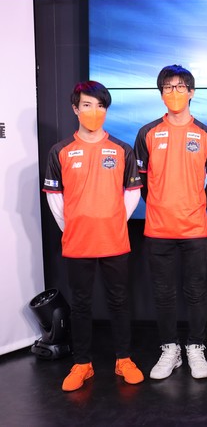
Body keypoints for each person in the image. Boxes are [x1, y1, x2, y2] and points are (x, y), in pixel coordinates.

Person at [43, 81, 144, 392]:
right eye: (87, 105)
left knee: (120, 301)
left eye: (100, 106)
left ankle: (123, 359)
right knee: (81, 304)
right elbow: (55, 197)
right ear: (75, 109)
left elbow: (132, 192)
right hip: (77, 242)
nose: (94, 111)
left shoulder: (122, 150)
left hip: (114, 240)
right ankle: (82, 364)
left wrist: (113, 222)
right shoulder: (60, 151)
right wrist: (73, 226)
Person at [134, 65, 207, 380]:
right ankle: (169, 349)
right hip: (158, 228)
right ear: (161, 94)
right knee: (163, 292)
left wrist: (196, 206)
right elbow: (140, 180)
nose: (174, 92)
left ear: (191, 92)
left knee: (195, 291)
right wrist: (158, 205)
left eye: (180, 86)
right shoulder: (147, 133)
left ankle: (195, 346)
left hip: (194, 228)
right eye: (168, 87)